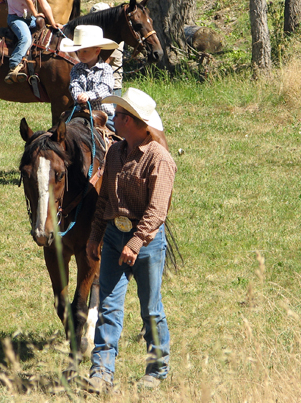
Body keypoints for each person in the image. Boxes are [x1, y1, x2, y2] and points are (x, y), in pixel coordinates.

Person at [84, 87, 177, 393]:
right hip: (113, 236)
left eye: (120, 115)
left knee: (150, 307)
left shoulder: (159, 159)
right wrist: (96, 236)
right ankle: (101, 371)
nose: (115, 117)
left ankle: (157, 367)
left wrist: (135, 243)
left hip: (147, 243)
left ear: (135, 122)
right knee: (109, 304)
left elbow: (157, 210)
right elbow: (104, 200)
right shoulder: (114, 152)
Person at [60, 25, 117, 124]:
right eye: (78, 51)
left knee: (116, 131)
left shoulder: (105, 69)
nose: (80, 55)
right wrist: (79, 96)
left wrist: (88, 95)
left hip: (104, 113)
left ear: (97, 51)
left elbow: (105, 87)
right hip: (80, 112)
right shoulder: (76, 69)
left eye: (85, 51)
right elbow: (74, 85)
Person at [4, 0, 62, 84]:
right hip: (16, 18)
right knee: (26, 38)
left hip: (29, 18)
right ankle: (14, 65)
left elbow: (44, 4)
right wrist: (35, 13)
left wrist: (53, 23)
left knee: (44, 30)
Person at [89, 2, 123, 97]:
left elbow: (105, 62)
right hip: (94, 86)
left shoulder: (115, 38)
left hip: (111, 86)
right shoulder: (97, 36)